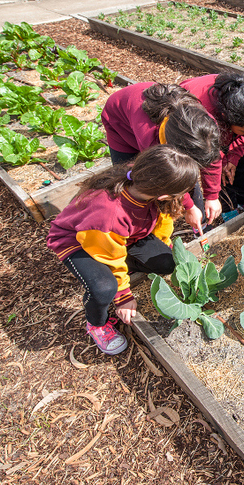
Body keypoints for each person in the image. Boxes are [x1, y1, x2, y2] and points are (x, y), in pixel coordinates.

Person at [47, 146, 200, 355]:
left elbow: (175, 200)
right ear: (164, 195)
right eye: (182, 194)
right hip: (79, 242)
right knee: (103, 288)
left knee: (166, 262)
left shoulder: (144, 177)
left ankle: (117, 273)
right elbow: (110, 256)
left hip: (123, 237)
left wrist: (190, 207)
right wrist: (123, 295)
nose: (183, 197)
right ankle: (96, 324)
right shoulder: (110, 214)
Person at [101, 82, 220, 233]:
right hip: (119, 121)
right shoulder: (150, 139)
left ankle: (201, 228)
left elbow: (213, 157)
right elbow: (167, 177)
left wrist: (212, 195)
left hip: (143, 115)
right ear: (172, 149)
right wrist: (189, 207)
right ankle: (139, 231)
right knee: (134, 181)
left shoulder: (204, 127)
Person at [181, 73, 244, 214]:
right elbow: (209, 157)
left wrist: (233, 158)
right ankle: (228, 208)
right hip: (190, 126)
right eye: (243, 131)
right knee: (218, 172)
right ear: (226, 118)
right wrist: (222, 160)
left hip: (219, 124)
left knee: (243, 155)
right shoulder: (202, 112)